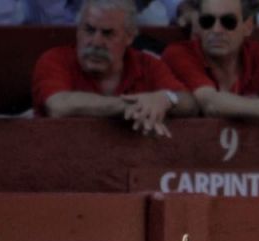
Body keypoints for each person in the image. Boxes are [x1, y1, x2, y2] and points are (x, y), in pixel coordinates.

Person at [31, 0, 196, 138]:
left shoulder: (147, 63)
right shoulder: (55, 59)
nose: (96, 42)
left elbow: (189, 103)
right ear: (77, 30)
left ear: (129, 37)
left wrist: (166, 99)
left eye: (108, 33)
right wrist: (134, 106)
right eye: (89, 30)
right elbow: (59, 105)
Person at [161, 0, 259, 132]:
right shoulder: (179, 54)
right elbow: (210, 103)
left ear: (248, 26)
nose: (216, 30)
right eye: (207, 21)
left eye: (228, 22)